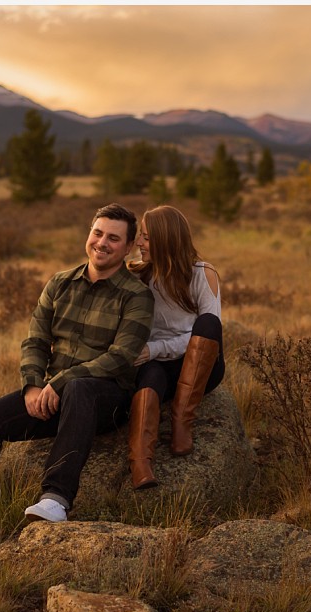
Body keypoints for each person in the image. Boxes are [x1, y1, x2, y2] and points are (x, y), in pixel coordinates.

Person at [0, 203, 153, 548]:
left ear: (127, 247)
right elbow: (35, 341)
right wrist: (33, 385)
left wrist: (60, 381)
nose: (102, 243)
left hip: (106, 399)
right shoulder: (60, 283)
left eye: (114, 238)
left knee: (80, 388)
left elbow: (122, 356)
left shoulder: (137, 296)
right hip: (53, 396)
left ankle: (56, 499)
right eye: (97, 233)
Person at [126, 205, 225, 490]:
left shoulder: (202, 274)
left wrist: (155, 349)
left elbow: (209, 334)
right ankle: (141, 462)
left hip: (201, 367)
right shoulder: (139, 276)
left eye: (145, 237)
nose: (139, 243)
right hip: (159, 366)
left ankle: (182, 421)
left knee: (207, 323)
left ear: (166, 239)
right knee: (150, 374)